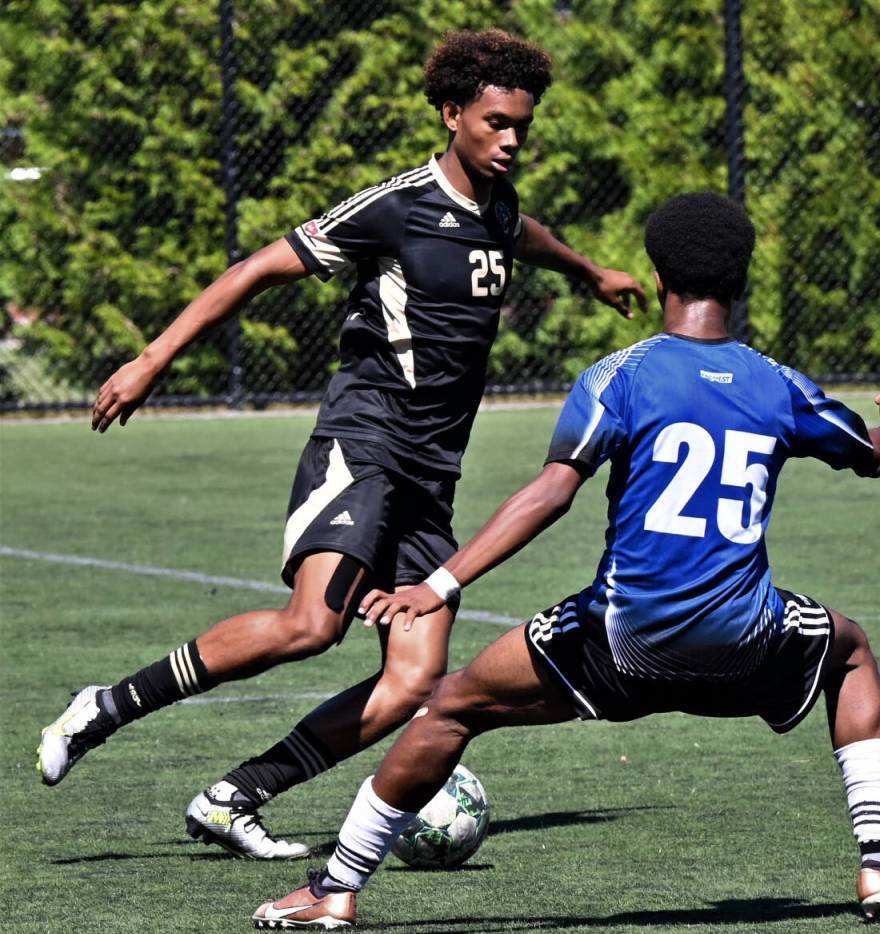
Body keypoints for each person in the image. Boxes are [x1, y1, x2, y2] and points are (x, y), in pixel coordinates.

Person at [252, 192, 880, 929]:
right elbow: (869, 455)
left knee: (448, 705)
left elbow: (552, 492)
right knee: (847, 648)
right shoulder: (779, 384)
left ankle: (335, 889)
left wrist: (437, 585)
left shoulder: (619, 376)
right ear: (743, 282)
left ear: (658, 278)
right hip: (743, 644)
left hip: (621, 644)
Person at [36, 29, 647, 861]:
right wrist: (151, 360)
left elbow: (525, 235)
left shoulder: (500, 209)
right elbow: (254, 269)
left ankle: (235, 796)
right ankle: (104, 707)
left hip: (433, 472)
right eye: (496, 123)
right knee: (309, 627)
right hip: (366, 441)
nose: (510, 141)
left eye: (522, 129)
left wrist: (591, 273)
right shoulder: (394, 206)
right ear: (452, 114)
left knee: (414, 680)